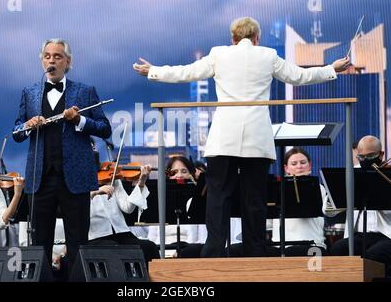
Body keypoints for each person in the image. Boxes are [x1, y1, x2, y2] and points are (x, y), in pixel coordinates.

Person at [133, 16, 350, 257]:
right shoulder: (267, 55)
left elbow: (186, 72)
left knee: (218, 197)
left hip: (224, 138)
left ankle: (213, 251)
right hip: (256, 138)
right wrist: (332, 68)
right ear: (257, 38)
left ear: (233, 39)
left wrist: (153, 71)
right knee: (254, 198)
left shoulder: (219, 54)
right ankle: (254, 252)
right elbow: (300, 76)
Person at [12, 38, 112, 277]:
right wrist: (27, 125)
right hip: (40, 178)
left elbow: (105, 129)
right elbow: (16, 133)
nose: (51, 60)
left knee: (78, 242)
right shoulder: (30, 92)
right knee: (39, 244)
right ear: (41, 61)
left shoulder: (85, 91)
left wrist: (80, 120)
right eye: (47, 56)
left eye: (57, 56)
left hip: (75, 179)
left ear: (68, 62)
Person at [328, 135, 391, 273]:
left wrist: (381, 188)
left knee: (374, 255)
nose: (365, 160)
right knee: (338, 248)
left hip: (386, 234)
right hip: (360, 235)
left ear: (381, 154)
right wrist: (334, 196)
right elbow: (329, 211)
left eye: (370, 156)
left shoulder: (387, 173)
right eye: (361, 157)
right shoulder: (352, 173)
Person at [268, 148, 327, 256]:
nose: (299, 166)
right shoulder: (277, 189)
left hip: (312, 245)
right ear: (286, 168)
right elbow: (268, 222)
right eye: (294, 164)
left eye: (303, 163)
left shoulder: (320, 189)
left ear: (310, 165)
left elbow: (328, 212)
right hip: (279, 246)